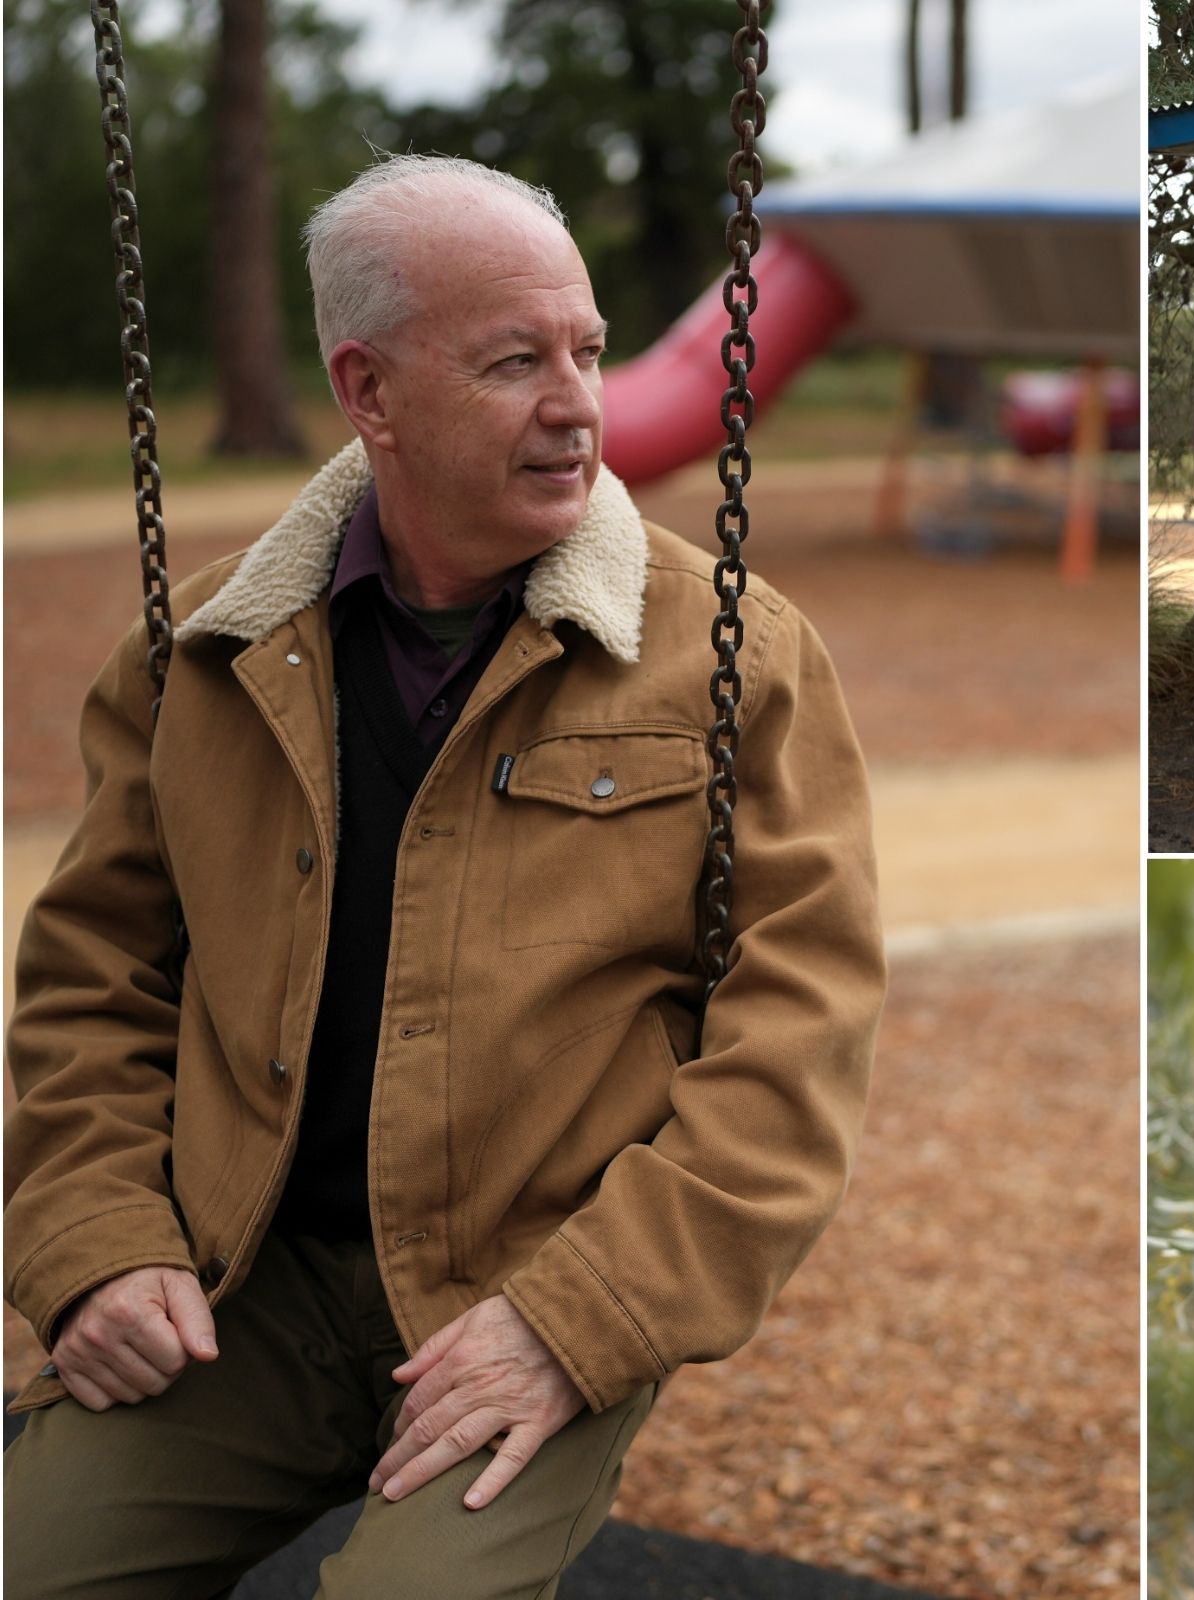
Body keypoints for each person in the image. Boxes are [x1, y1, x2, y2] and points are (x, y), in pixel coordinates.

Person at [2, 154, 885, 1596]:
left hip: (531, 1285)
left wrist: (582, 1317)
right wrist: (97, 1245)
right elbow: (94, 985)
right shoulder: (204, 663)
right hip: (248, 1291)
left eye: (591, 350)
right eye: (514, 361)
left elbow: (798, 1038)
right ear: (369, 394)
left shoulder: (733, 656)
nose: (579, 403)